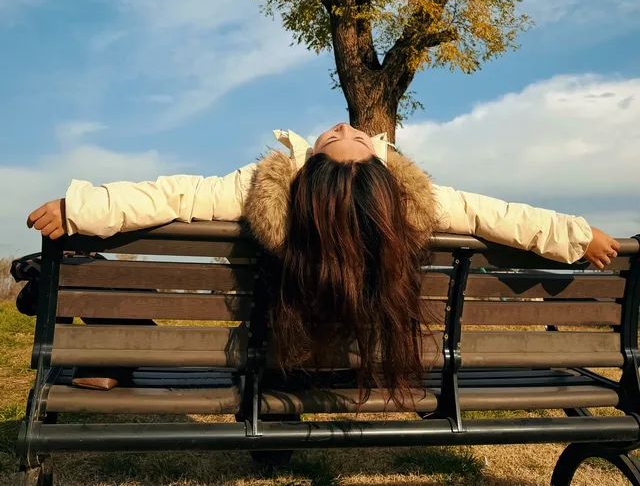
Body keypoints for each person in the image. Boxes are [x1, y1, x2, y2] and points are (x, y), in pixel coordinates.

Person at [27, 124, 619, 402]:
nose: (344, 126)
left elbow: (173, 194)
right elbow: (496, 215)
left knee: (92, 271)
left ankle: (82, 322)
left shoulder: (266, 190)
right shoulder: (410, 203)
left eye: (345, 137)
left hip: (276, 361)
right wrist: (577, 235)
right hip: (369, 362)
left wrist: (81, 208)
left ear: (309, 171)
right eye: (353, 136)